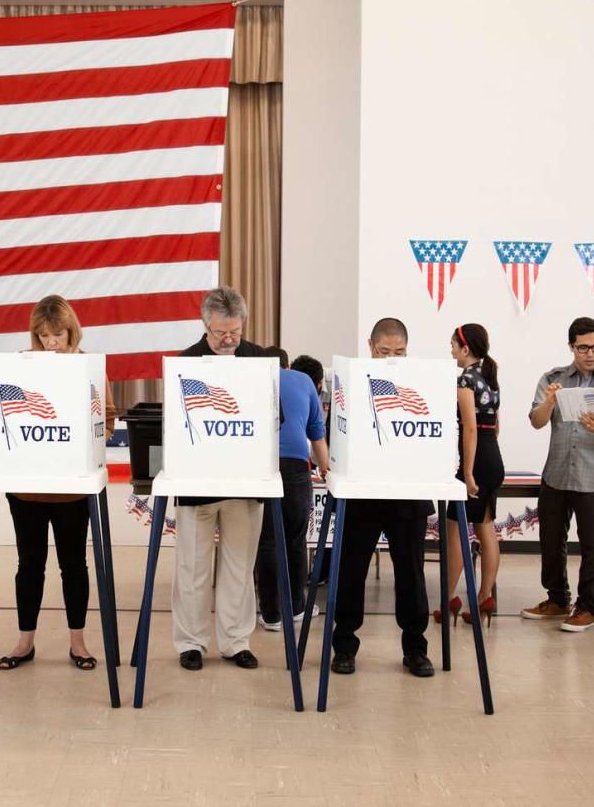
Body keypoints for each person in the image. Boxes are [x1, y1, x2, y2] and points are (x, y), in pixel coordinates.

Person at [0, 296, 119, 671]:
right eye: (44, 335)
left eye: (58, 334)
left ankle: (78, 642)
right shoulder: (21, 366)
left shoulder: (88, 367)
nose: (51, 342)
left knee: (73, 564)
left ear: (72, 331)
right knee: (29, 563)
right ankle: (24, 642)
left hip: (71, 489)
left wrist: (93, 441)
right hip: (27, 488)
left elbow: (109, 418)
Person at [329, 318, 435, 677]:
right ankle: (344, 647)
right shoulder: (352, 381)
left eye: (399, 352)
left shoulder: (421, 383)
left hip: (407, 495)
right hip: (362, 495)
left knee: (411, 575)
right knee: (350, 573)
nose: (392, 357)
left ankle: (416, 649)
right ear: (371, 346)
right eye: (385, 351)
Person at [172, 287, 268, 671]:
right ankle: (191, 642)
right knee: (192, 568)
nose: (229, 340)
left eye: (235, 332)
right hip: (197, 482)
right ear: (204, 325)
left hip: (245, 482)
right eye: (220, 333)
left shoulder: (260, 359)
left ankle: (235, 641)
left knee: (239, 567)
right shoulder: (186, 363)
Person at [522, 317, 594, 633]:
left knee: (593, 543)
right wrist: (551, 401)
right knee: (550, 539)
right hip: (556, 472)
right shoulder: (552, 379)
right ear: (572, 346)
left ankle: (587, 607)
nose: (590, 354)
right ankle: (557, 599)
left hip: (593, 476)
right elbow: (536, 421)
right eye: (583, 347)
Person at [256, 347, 330, 632]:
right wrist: (326, 470)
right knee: (296, 539)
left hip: (262, 464)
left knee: (267, 540)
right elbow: (317, 436)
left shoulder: (256, 380)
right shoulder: (304, 381)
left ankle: (271, 614)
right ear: (287, 365)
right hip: (296, 466)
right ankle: (297, 607)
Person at [438, 324, 504, 627]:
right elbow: (493, 425)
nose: (451, 350)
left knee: (455, 531)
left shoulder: (465, 379)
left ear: (465, 349)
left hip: (476, 460)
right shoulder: (490, 376)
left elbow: (469, 427)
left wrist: (467, 470)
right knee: (486, 528)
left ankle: (448, 596)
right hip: (493, 456)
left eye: (453, 345)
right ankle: (484, 597)